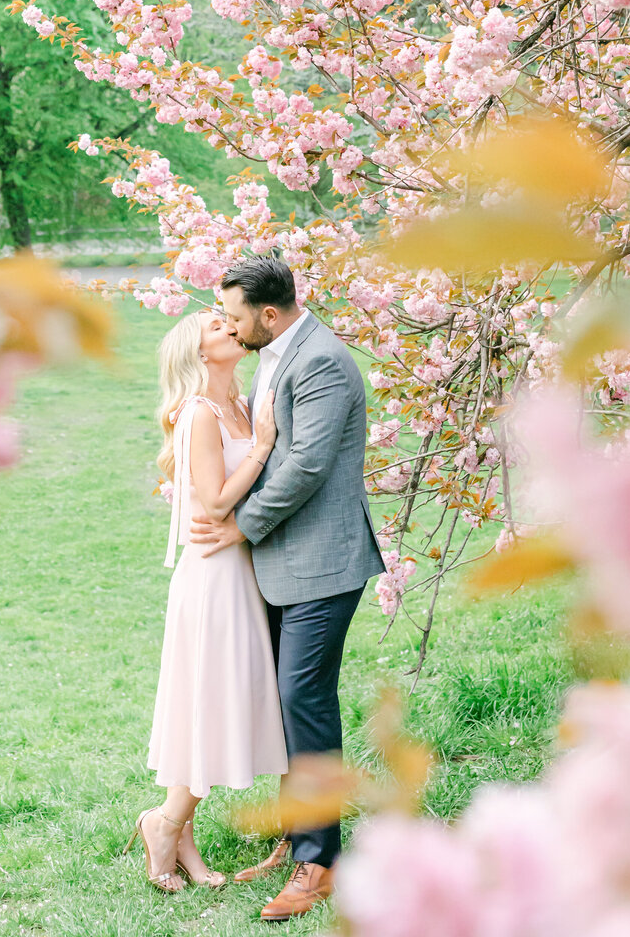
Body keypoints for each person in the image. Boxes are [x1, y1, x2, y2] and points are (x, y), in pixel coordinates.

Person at [191, 255, 385, 923]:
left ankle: (319, 862)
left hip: (323, 563)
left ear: (267, 314)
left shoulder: (322, 362)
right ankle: (297, 830)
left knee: (305, 699)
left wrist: (242, 526)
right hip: (282, 563)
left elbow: (305, 464)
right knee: (284, 703)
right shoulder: (276, 349)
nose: (229, 325)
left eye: (235, 315)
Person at [131, 307, 289, 893]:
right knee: (212, 702)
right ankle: (165, 822)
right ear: (200, 354)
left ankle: (176, 833)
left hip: (240, 567)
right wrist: (264, 445)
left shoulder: (241, 404)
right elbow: (216, 501)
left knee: (219, 701)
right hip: (212, 575)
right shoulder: (198, 413)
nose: (231, 327)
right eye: (216, 328)